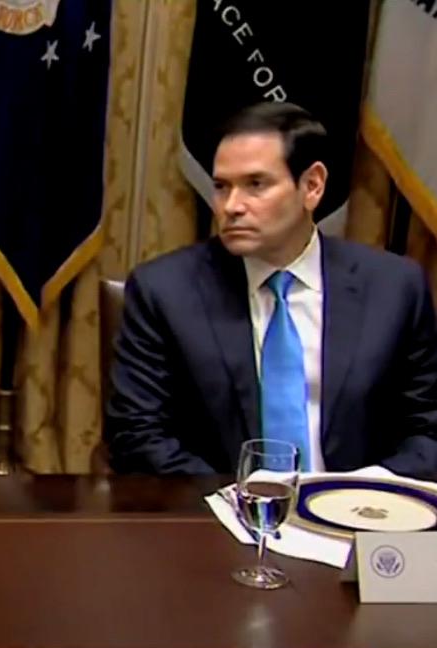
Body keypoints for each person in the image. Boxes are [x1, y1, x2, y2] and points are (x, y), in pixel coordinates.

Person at [105, 102, 437, 479]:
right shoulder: (165, 291)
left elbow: (429, 428)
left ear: (312, 186)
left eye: (256, 185)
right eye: (221, 187)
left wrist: (360, 493)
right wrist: (240, 499)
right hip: (218, 506)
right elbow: (137, 436)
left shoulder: (394, 288)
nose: (231, 206)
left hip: (361, 507)